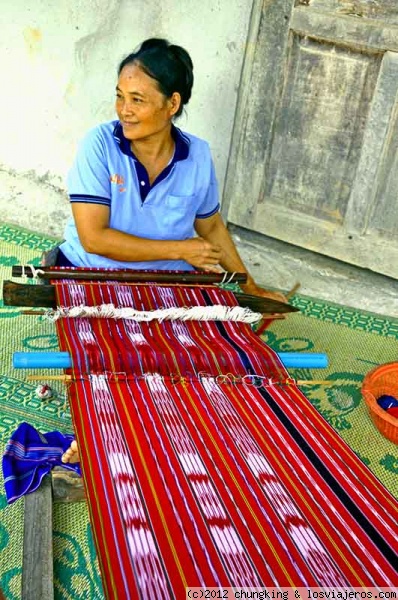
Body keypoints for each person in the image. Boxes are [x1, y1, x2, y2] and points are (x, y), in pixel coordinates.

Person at [60, 37, 286, 464]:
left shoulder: (197, 156)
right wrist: (181, 248)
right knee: (114, 358)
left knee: (194, 360)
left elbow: (212, 228)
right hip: (92, 275)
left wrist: (250, 290)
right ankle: (103, 436)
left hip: (166, 283)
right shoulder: (99, 146)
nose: (124, 110)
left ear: (172, 103)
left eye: (138, 100)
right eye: (120, 97)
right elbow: (94, 238)